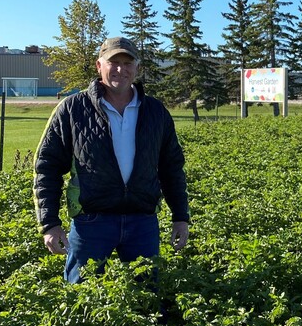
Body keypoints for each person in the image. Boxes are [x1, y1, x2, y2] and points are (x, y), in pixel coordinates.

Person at [33, 36, 190, 283]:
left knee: (146, 296)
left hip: (142, 220)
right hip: (91, 222)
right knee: (82, 298)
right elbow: (47, 167)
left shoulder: (156, 112)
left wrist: (180, 217)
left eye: (128, 63)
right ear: (99, 66)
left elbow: (172, 168)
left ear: (137, 68)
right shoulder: (72, 109)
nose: (121, 69)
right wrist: (49, 223)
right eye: (113, 62)